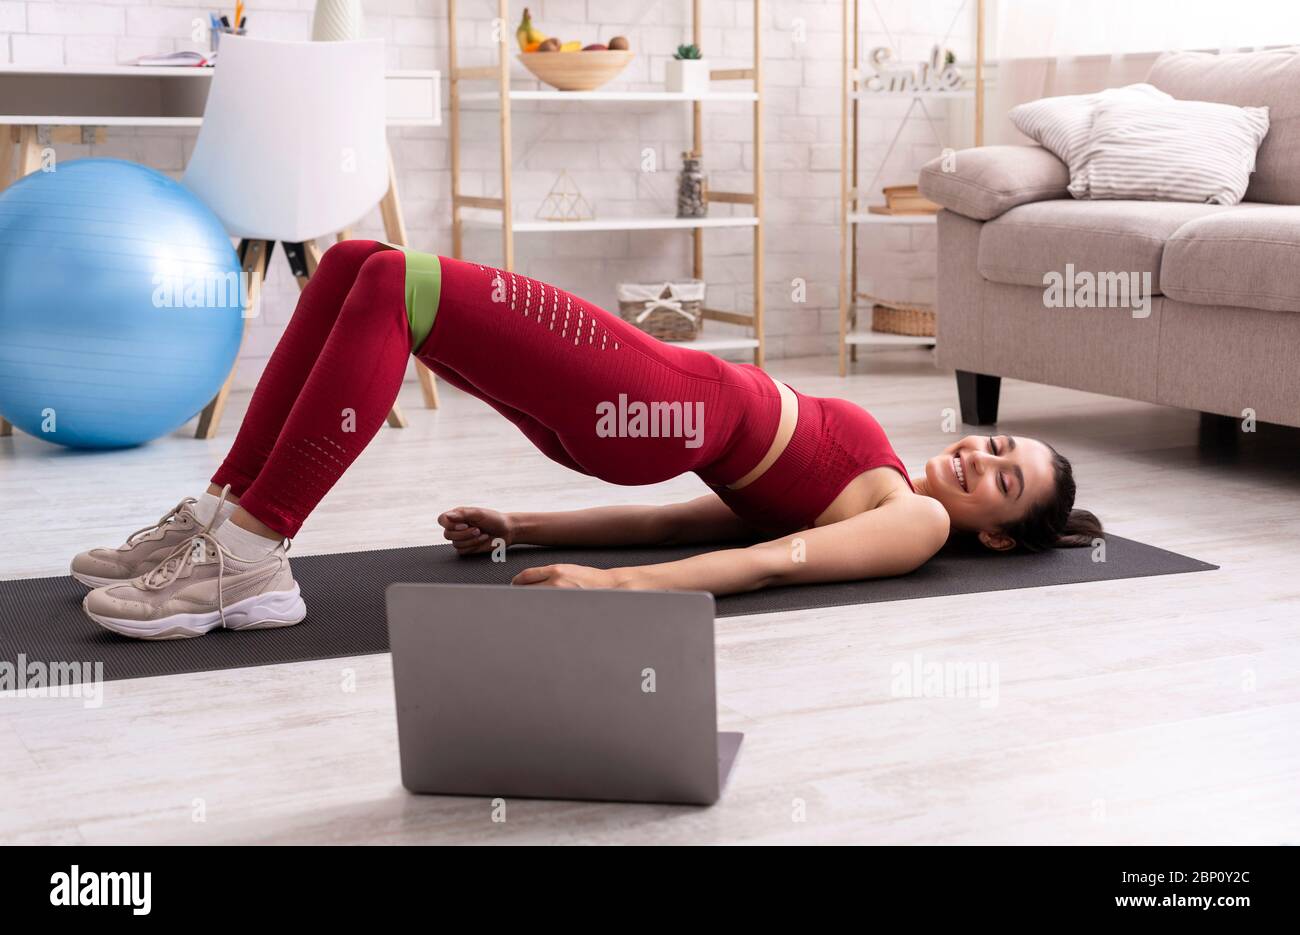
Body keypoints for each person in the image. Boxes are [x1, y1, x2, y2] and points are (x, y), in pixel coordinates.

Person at [72, 240, 1101, 640]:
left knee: (397, 283)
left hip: (658, 403)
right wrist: (523, 523)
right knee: (352, 263)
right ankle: (220, 517)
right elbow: (676, 514)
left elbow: (775, 559)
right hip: (644, 422)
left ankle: (252, 554)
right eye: (997, 445)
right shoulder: (881, 480)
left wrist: (620, 593)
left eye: (1000, 484)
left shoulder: (911, 519)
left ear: (996, 536)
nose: (979, 459)